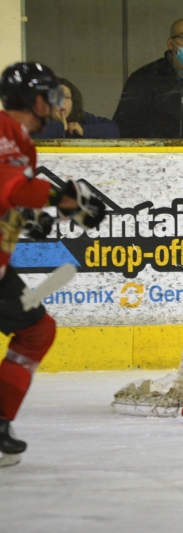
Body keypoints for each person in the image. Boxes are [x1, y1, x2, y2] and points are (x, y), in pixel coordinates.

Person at [0, 62, 106, 466]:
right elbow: (8, 189)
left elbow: (9, 200)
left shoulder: (22, 142)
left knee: (37, 332)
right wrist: (60, 198)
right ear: (37, 100)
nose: (57, 106)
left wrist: (29, 220)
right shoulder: (4, 133)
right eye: (51, 97)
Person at [31, 78, 119, 139]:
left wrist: (84, 130)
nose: (62, 102)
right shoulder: (37, 119)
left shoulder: (80, 117)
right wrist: (60, 126)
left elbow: (113, 129)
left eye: (67, 97)